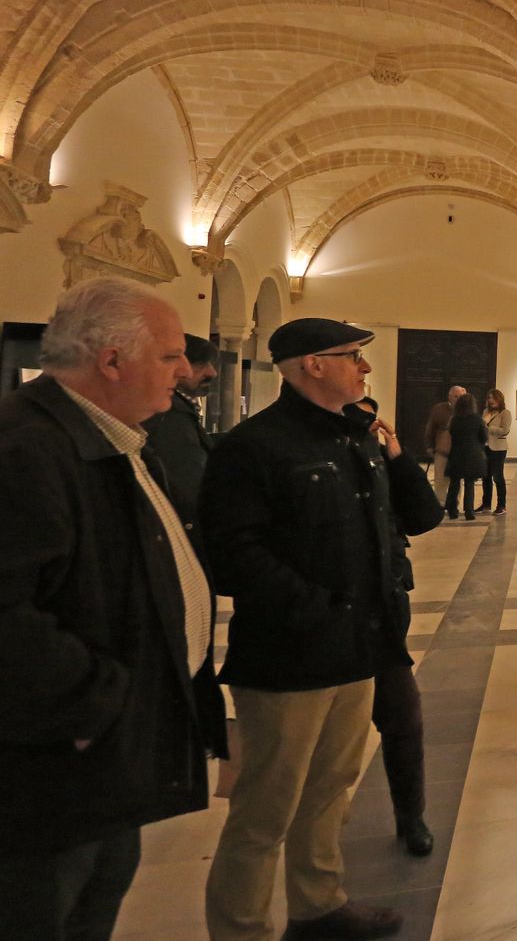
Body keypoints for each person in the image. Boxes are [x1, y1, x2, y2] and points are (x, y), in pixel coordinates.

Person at [0, 277, 224, 941]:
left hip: (103, 763)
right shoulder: (26, 449)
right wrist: (96, 703)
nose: (184, 371)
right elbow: (8, 614)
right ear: (112, 360)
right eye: (169, 354)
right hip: (54, 775)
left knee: (94, 909)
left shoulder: (117, 437)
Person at [201, 318, 420, 941]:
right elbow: (234, 552)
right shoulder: (254, 446)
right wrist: (314, 608)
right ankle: (241, 928)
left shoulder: (355, 439)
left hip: (358, 651)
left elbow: (396, 528)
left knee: (331, 790)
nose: (365, 368)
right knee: (264, 810)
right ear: (313, 365)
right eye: (354, 356)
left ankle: (319, 904)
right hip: (287, 658)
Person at [352, 397, 443, 856]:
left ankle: (411, 817)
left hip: (386, 611)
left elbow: (425, 517)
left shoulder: (380, 460)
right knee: (326, 742)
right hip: (327, 620)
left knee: (404, 719)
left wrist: (397, 457)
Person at [141, 332, 220, 540]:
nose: (211, 372)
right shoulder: (170, 415)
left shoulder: (177, 412)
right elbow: (186, 479)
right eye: (201, 364)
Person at [443, 392, 488, 522]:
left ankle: (452, 511)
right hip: (472, 455)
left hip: (456, 454)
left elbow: (451, 434)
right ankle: (469, 512)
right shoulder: (477, 419)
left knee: (454, 483)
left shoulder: (454, 419)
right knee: (469, 484)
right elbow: (484, 437)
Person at [421, 385, 464, 503]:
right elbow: (430, 428)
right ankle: (440, 503)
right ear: (449, 396)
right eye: (456, 396)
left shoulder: (467, 410)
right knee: (440, 479)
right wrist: (429, 445)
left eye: (461, 396)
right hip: (442, 450)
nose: (458, 399)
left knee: (457, 479)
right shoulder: (439, 409)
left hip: (459, 451)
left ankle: (454, 503)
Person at [478, 388, 510, 515]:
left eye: (492, 398)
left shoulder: (505, 413)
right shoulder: (485, 411)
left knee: (498, 477)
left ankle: (501, 505)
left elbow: (505, 430)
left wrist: (488, 427)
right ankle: (486, 504)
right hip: (485, 447)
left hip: (498, 448)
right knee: (485, 477)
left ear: (499, 399)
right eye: (489, 398)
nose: (490, 400)